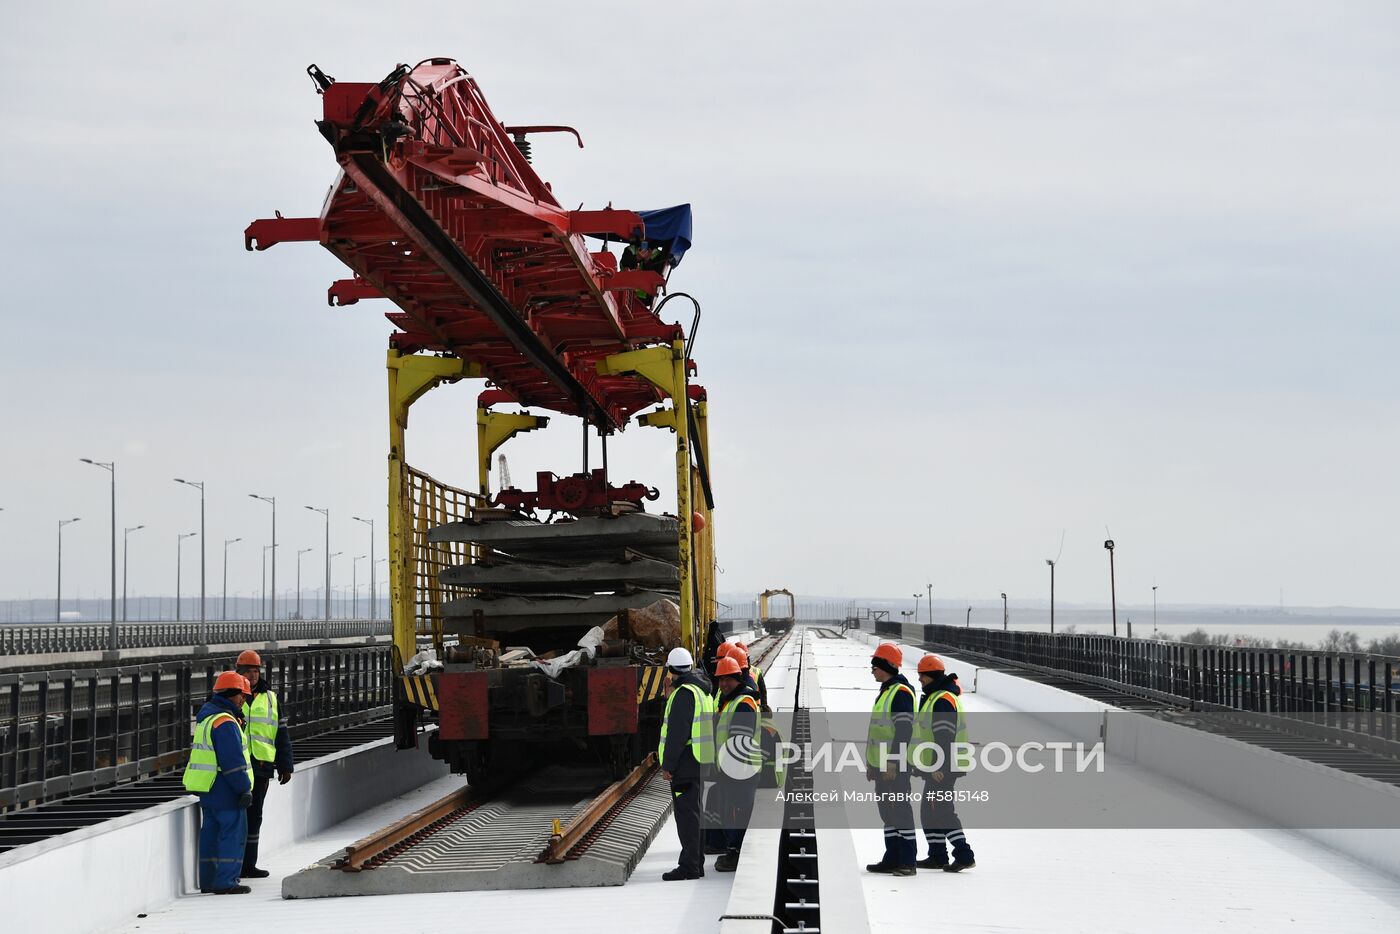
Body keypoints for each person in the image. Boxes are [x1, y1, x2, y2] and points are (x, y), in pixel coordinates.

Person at [183, 671, 254, 894]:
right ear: (231, 694)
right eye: (241, 694)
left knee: (211, 836)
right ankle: (226, 882)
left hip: (209, 787)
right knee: (232, 834)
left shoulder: (207, 718)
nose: (243, 699)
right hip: (227, 787)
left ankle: (209, 881)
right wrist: (243, 788)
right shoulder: (225, 722)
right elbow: (233, 762)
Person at [913, 654, 976, 871]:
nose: (919, 679)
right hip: (940, 765)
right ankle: (938, 855)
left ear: (931, 675)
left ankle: (964, 854)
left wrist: (940, 766)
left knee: (941, 810)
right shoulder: (937, 696)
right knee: (929, 811)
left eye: (922, 675)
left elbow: (944, 737)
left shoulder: (941, 700)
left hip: (944, 766)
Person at [235, 650, 294, 878]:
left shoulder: (270, 698)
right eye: (248, 671)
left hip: (261, 766)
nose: (253, 675)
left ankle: (249, 864)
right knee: (237, 816)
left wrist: (285, 765)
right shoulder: (231, 695)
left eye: (256, 671)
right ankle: (235, 865)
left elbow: (281, 733)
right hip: (237, 767)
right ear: (239, 673)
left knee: (255, 815)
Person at [659, 646, 715, 881]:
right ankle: (696, 863)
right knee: (695, 814)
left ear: (671, 670)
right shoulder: (702, 690)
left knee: (686, 816)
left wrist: (669, 766)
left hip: (686, 763)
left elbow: (676, 734)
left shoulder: (683, 694)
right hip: (701, 759)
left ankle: (690, 866)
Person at [865, 641, 918, 876]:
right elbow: (879, 734)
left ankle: (907, 861)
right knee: (888, 812)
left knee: (900, 811)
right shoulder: (887, 691)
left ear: (885, 666)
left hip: (895, 766)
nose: (872, 671)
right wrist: (873, 765)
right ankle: (892, 858)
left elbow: (903, 732)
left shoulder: (901, 693)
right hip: (882, 765)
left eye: (875, 667)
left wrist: (893, 762)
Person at [712, 655, 761, 872]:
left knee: (736, 811)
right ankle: (733, 850)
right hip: (733, 769)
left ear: (738, 679)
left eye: (728, 679)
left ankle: (735, 853)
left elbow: (740, 741)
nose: (723, 684)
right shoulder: (732, 700)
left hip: (741, 770)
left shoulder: (743, 704)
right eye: (720, 680)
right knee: (732, 810)